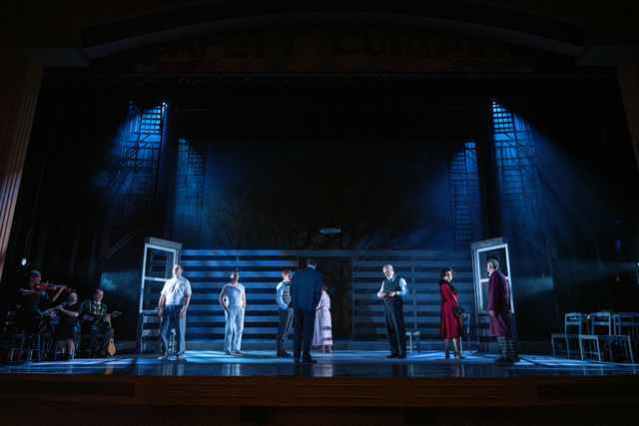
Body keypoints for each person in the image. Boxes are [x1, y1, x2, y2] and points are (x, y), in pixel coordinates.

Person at [290, 259, 323, 363]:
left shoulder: (297, 274)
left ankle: (296, 355)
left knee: (297, 331)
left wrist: (294, 304)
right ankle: (305, 356)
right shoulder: (317, 275)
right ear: (315, 265)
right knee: (307, 332)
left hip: (297, 307)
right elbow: (318, 292)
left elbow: (292, 290)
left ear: (307, 264)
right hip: (309, 308)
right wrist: (314, 305)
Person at [487, 258, 519, 364]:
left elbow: (493, 293)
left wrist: (492, 308)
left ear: (491, 267)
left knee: (501, 333)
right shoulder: (502, 276)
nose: (487, 269)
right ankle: (512, 356)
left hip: (498, 310)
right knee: (506, 333)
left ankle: (506, 357)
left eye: (488, 267)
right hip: (504, 309)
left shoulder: (495, 276)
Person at [158, 264, 192, 360]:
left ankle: (180, 353)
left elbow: (188, 296)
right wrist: (160, 308)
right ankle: (165, 353)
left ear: (181, 270)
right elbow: (163, 296)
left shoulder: (185, 281)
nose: (175, 270)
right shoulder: (168, 282)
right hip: (168, 308)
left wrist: (184, 309)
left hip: (179, 307)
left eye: (177, 268)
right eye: (174, 268)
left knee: (180, 331)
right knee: (164, 331)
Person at [377, 264, 408, 359]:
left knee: (399, 330)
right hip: (387, 308)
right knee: (390, 330)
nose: (386, 274)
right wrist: (380, 294)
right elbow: (379, 293)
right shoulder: (384, 282)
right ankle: (394, 352)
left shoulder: (400, 279)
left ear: (392, 270)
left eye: (387, 271)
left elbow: (406, 292)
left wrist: (396, 293)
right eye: (384, 272)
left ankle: (402, 352)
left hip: (396, 308)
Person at [79, 289, 114, 357]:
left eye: (102, 295)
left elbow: (104, 317)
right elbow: (82, 314)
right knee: (94, 329)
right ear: (94, 295)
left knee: (110, 330)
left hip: (100, 325)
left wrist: (107, 317)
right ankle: (93, 350)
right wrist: (86, 317)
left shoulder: (104, 306)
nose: (100, 296)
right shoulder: (87, 303)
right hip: (89, 325)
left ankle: (102, 350)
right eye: (99, 294)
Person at [219, 270, 246, 356]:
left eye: (237, 275)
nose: (236, 277)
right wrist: (226, 309)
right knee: (230, 329)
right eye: (234, 275)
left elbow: (243, 297)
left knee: (239, 329)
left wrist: (243, 306)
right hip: (231, 308)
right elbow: (221, 297)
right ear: (231, 276)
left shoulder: (241, 286)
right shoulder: (227, 286)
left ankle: (236, 348)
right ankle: (227, 349)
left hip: (240, 309)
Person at [439, 268, 464, 360]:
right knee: (454, 330)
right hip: (450, 309)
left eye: (450, 274)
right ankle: (456, 353)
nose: (450, 276)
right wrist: (458, 310)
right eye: (448, 274)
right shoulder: (445, 285)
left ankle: (450, 353)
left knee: (449, 330)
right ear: (444, 276)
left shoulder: (446, 285)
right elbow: (452, 299)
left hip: (448, 309)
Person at [53, 292, 80, 360]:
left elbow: (75, 314)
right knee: (60, 338)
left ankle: (69, 354)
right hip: (62, 324)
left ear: (76, 297)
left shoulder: (77, 305)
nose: (72, 297)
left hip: (73, 324)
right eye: (71, 295)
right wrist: (53, 313)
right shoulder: (64, 304)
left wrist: (62, 310)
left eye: (74, 296)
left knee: (70, 337)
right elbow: (56, 313)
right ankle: (61, 353)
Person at [275, 269, 294, 357]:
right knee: (283, 330)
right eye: (289, 274)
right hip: (285, 310)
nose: (291, 275)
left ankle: (282, 350)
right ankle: (280, 351)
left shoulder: (290, 284)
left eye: (291, 274)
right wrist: (285, 307)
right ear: (285, 275)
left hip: (290, 309)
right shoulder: (281, 285)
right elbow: (278, 298)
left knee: (287, 330)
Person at [313, 286, 333, 353]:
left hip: (322, 313)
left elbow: (318, 305)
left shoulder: (321, 294)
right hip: (327, 313)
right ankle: (329, 348)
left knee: (322, 330)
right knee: (327, 330)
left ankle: (323, 348)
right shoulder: (327, 295)